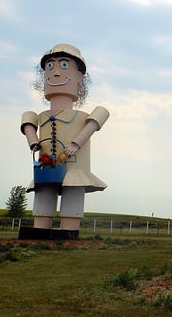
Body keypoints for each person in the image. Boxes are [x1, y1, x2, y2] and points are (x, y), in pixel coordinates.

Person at [21, 44, 109, 234]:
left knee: (72, 195)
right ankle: (41, 230)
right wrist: (33, 141)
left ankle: (69, 230)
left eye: (64, 65)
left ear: (79, 77)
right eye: (50, 67)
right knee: (44, 196)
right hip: (47, 167)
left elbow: (100, 116)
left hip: (75, 167)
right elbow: (28, 123)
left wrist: (76, 142)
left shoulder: (82, 116)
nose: (56, 73)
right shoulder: (41, 115)